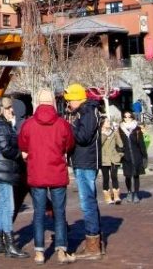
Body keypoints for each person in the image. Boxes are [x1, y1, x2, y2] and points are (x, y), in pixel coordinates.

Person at [18, 89, 76, 265]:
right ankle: (61, 250)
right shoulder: (62, 124)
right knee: (59, 212)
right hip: (57, 172)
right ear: (52, 102)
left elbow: (22, 144)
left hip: (37, 173)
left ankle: (39, 252)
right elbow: (69, 144)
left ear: (37, 102)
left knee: (38, 213)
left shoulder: (28, 124)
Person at [63, 83, 104, 259]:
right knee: (88, 201)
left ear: (78, 98)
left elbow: (83, 137)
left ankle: (93, 246)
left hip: (86, 162)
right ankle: (93, 241)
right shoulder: (82, 112)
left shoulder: (87, 112)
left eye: (70, 100)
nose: (68, 104)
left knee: (87, 202)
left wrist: (69, 125)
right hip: (82, 160)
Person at [0, 96, 28, 258]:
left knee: (4, 206)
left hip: (4, 169)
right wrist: (20, 154)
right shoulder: (0, 125)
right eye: (7, 107)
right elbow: (6, 148)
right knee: (8, 207)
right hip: (3, 170)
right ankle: (10, 244)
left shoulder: (3, 124)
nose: (11, 110)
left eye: (11, 107)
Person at [118, 112, 146, 202]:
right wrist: (120, 152)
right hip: (126, 155)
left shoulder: (137, 129)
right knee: (128, 175)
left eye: (129, 116)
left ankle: (136, 194)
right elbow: (118, 142)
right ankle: (129, 192)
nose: (127, 118)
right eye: (125, 117)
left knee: (136, 175)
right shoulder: (120, 129)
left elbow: (141, 143)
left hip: (136, 154)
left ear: (132, 117)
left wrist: (144, 155)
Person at [98, 114, 123, 211]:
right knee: (106, 178)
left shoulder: (114, 132)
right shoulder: (99, 133)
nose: (109, 123)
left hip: (114, 158)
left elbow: (120, 144)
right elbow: (99, 144)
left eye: (109, 121)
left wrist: (120, 155)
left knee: (114, 176)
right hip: (104, 159)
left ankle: (116, 196)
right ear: (102, 124)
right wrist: (104, 135)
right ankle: (108, 197)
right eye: (107, 122)